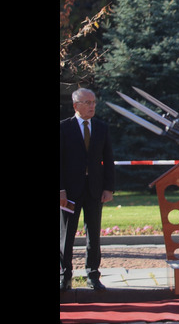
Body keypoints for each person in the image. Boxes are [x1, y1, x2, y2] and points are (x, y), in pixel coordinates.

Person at [60, 88, 115, 292]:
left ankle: (93, 274)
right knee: (67, 235)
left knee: (94, 235)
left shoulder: (101, 128)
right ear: (76, 105)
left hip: (94, 190)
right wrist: (60, 190)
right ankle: (64, 276)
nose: (92, 106)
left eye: (93, 102)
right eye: (87, 102)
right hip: (70, 192)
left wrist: (109, 188)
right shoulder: (64, 128)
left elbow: (108, 160)